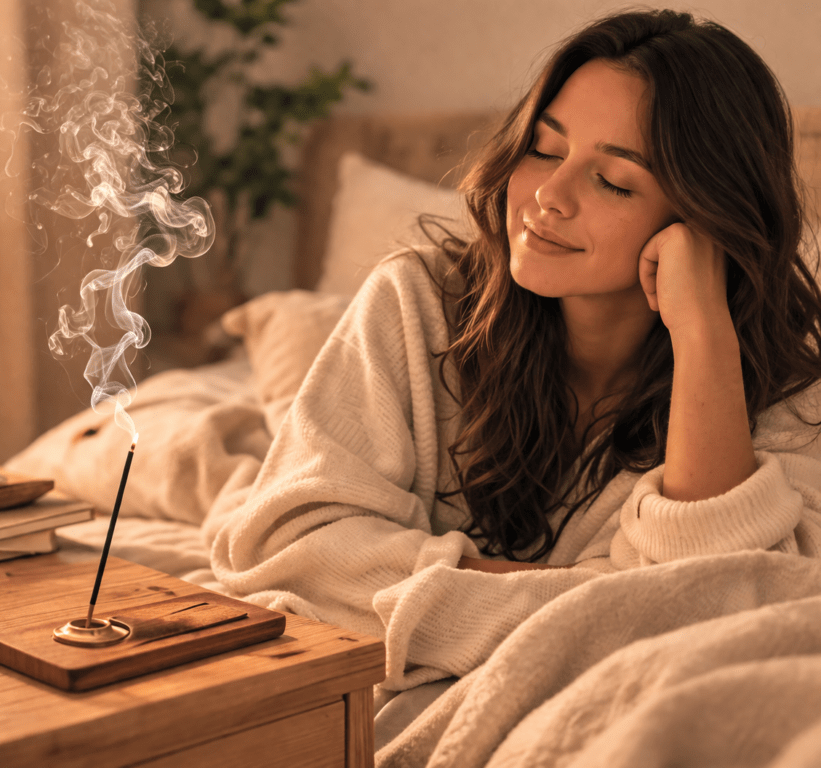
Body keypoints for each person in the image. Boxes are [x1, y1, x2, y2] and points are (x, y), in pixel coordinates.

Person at [209, 8, 821, 698]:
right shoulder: (419, 300)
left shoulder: (790, 385)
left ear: (706, 217)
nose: (548, 199)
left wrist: (704, 330)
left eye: (613, 181)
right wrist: (586, 600)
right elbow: (291, 554)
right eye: (542, 149)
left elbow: (726, 611)